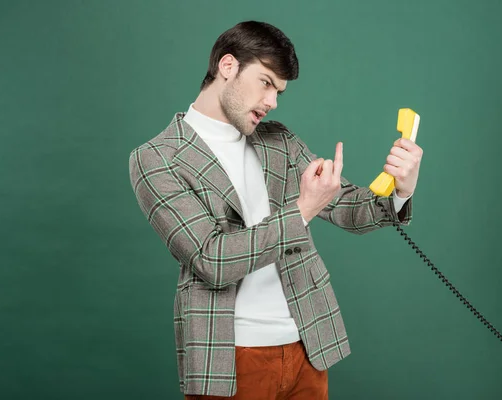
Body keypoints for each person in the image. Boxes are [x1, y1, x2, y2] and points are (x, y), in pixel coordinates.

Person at [129, 20, 423, 400]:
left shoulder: (278, 139)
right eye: (266, 82)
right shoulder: (157, 159)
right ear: (228, 66)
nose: (272, 101)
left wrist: (400, 189)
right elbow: (211, 259)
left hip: (306, 348)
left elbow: (348, 207)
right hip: (229, 359)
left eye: (279, 91)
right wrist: (301, 209)